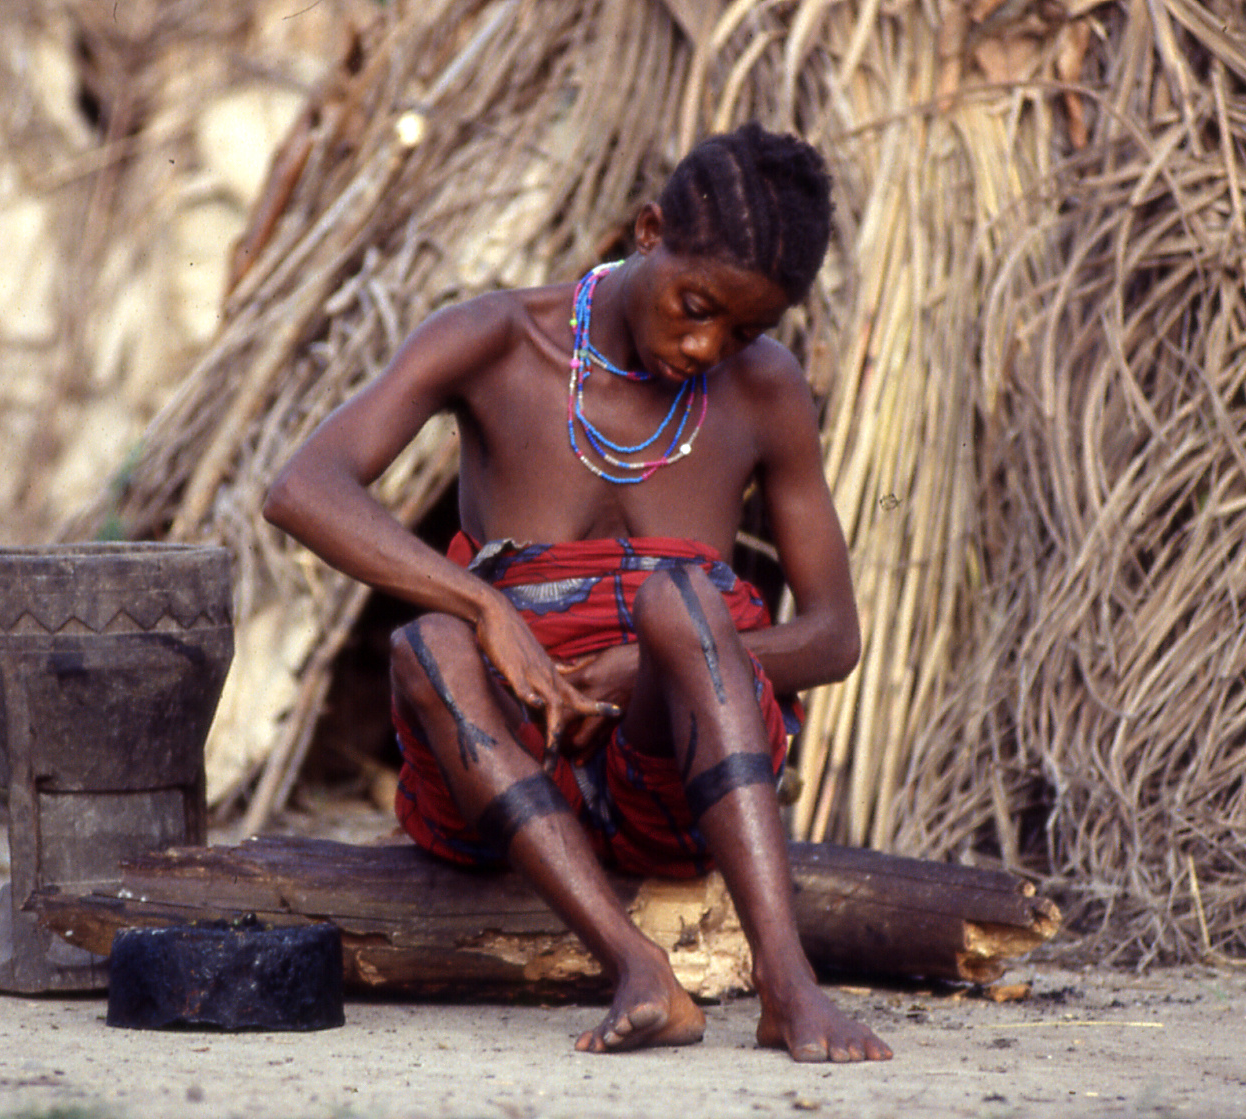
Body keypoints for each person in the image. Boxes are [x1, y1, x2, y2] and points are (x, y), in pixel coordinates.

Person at [264, 122, 890, 1063]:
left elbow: (834, 634)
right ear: (648, 231)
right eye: (696, 305)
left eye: (745, 329)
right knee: (425, 644)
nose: (706, 344)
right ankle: (638, 968)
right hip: (504, 773)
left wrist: (653, 660)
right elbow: (303, 487)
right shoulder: (493, 340)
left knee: (681, 600)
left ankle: (787, 982)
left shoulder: (763, 390)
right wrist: (487, 609)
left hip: (673, 775)